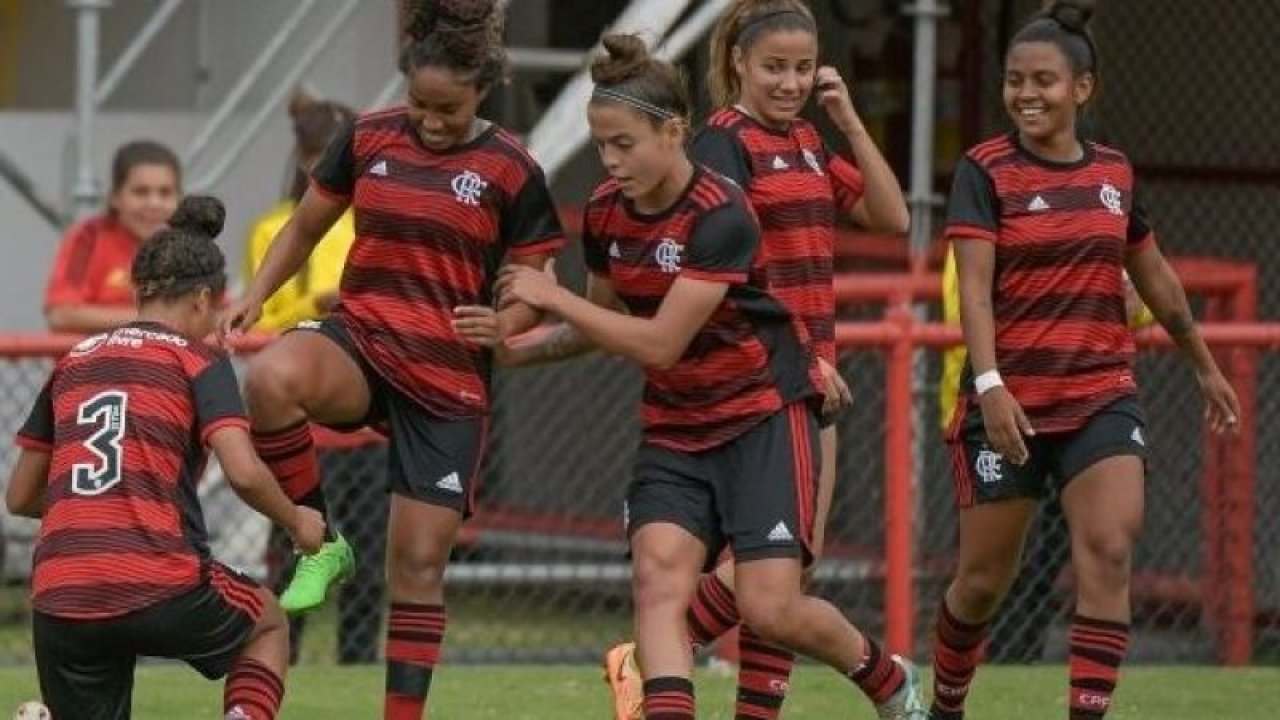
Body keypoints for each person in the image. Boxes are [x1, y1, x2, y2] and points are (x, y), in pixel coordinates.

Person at [481, 32, 926, 720]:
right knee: (658, 583)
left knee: (771, 605)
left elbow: (659, 343)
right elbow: (601, 324)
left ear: (673, 132)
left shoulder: (720, 213)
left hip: (764, 419)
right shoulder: (605, 211)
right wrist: (518, 350)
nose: (611, 161)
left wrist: (553, 297)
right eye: (602, 145)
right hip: (676, 431)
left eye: (624, 144)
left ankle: (888, 680)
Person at [221, 1, 564, 716]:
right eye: (418, 102)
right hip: (366, 342)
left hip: (446, 380)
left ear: (481, 93)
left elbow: (537, 283)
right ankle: (319, 541)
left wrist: (505, 322)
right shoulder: (368, 137)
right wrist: (254, 294)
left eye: (447, 108)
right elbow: (308, 226)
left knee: (415, 565)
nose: (431, 120)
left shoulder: (511, 167)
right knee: (272, 378)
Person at [597, 1, 911, 717]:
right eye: (775, 67)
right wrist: (800, 352)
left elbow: (891, 218)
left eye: (803, 68)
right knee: (770, 579)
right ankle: (650, 662)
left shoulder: (803, 141)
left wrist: (850, 121)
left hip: (806, 381)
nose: (790, 82)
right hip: (765, 379)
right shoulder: (723, 145)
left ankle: (648, 660)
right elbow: (732, 264)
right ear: (737, 61)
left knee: (782, 581)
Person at [930, 2, 1241, 718]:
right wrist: (990, 385)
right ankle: (944, 704)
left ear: (1083, 89)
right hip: (1007, 403)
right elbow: (973, 291)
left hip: (1101, 394)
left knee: (1107, 548)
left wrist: (1201, 360)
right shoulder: (985, 170)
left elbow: (1155, 275)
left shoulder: (1113, 173)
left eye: (1043, 80)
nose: (1026, 94)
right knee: (981, 583)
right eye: (1014, 81)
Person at [6, 196, 326, 720]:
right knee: (267, 624)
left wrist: (100, 508)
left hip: (61, 595)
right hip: (156, 577)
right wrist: (298, 521)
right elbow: (243, 472)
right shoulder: (197, 360)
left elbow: (19, 497)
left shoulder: (74, 361)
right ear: (204, 299)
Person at [940, 248, 1154, 665]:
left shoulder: (1092, 208)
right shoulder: (987, 211)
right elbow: (964, 306)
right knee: (989, 573)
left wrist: (1133, 307)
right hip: (998, 420)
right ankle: (973, 676)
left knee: (1068, 557)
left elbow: (1135, 300)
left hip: (1080, 413)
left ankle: (1021, 659)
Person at [245, 91, 388, 666]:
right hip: (300, 424)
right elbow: (265, 313)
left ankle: (357, 662)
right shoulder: (276, 229)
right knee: (294, 543)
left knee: (371, 552)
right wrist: (313, 304)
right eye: (314, 158)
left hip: (362, 421)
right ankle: (285, 655)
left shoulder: (373, 221)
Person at [44, 141, 181, 334]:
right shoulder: (88, 239)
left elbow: (219, 314)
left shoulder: (190, 245)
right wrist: (154, 321)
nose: (154, 203)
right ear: (115, 197)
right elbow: (61, 315)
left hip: (169, 363)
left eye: (165, 193)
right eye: (141, 192)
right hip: (96, 363)